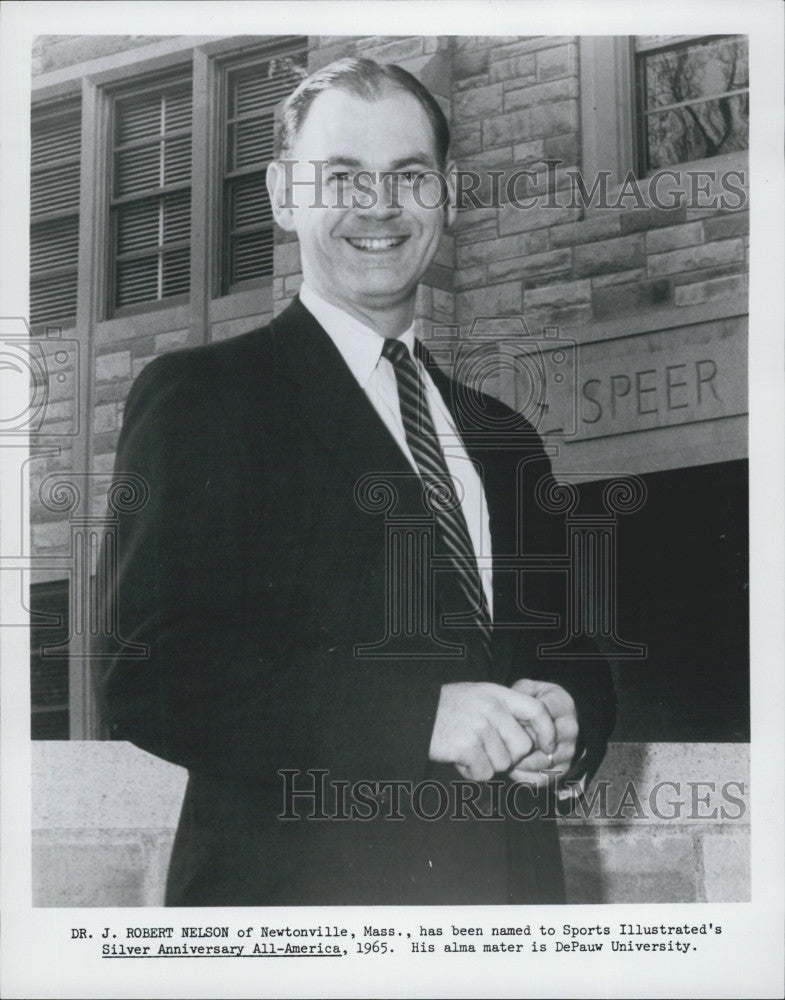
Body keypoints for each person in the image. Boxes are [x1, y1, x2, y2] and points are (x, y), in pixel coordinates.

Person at [97, 57, 615, 906]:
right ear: (281, 194)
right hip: (297, 929)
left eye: (409, 175)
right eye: (341, 176)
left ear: (442, 196)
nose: (378, 205)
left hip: (501, 924)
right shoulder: (204, 398)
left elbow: (564, 647)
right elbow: (149, 676)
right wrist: (420, 716)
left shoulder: (504, 437)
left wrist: (571, 714)